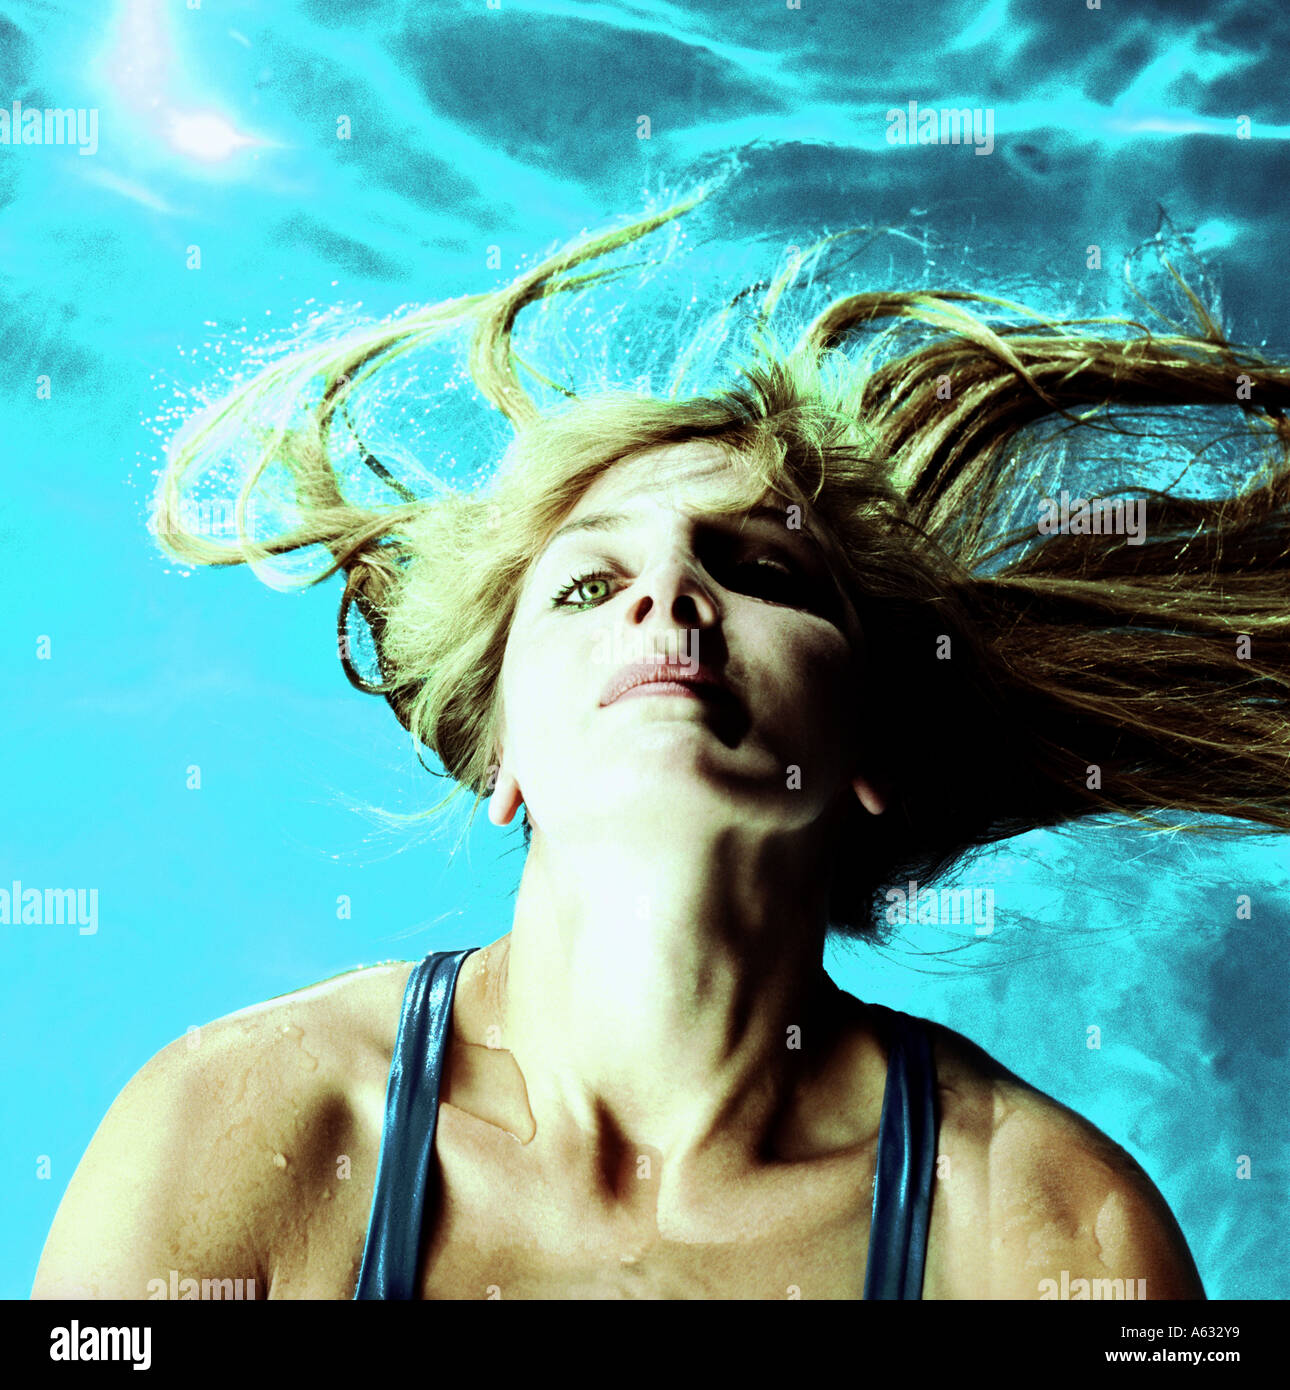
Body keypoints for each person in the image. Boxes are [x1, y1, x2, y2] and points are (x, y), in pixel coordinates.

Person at [33, 189, 1288, 1300]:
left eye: (759, 567)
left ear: (865, 744)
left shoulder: (1051, 1230)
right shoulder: (240, 1127)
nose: (668, 594)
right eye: (587, 585)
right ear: (504, 754)